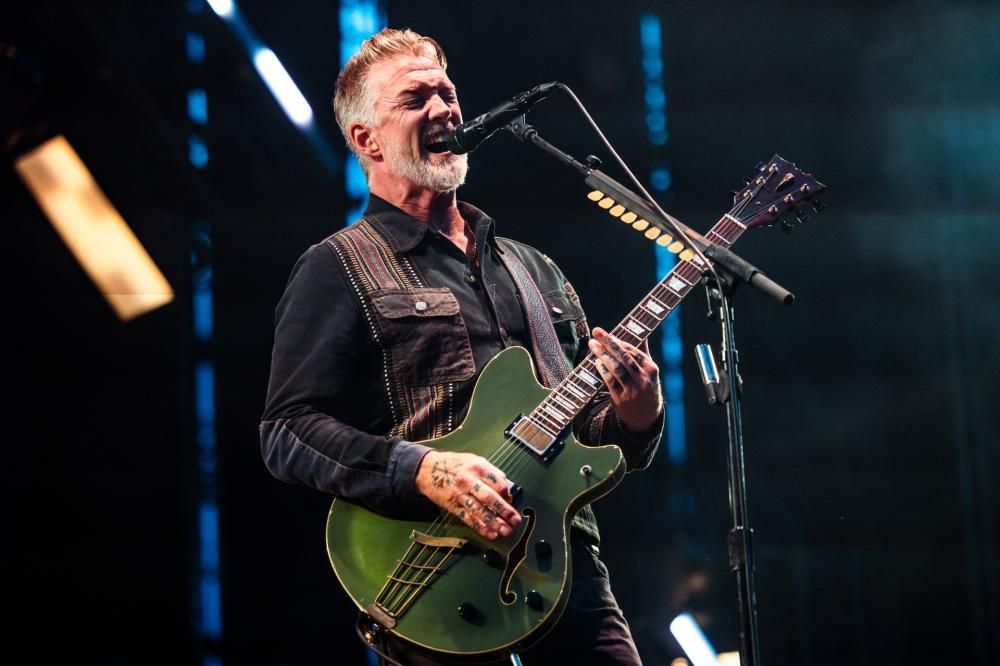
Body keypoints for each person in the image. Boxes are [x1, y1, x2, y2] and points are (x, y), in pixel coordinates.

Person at [260, 27, 664, 665]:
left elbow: (588, 434)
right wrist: (422, 469)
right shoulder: (337, 267)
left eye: (446, 94)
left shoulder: (534, 270)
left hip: (566, 565)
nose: (443, 109)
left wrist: (636, 414)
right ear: (366, 139)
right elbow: (288, 431)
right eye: (414, 99)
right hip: (440, 570)